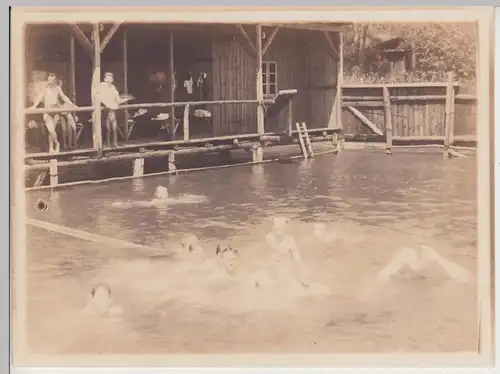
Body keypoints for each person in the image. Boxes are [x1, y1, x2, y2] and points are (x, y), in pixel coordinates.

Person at [30, 72, 77, 153]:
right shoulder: (45, 88)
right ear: (48, 79)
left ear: (55, 80)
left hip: (55, 111)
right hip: (47, 111)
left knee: (52, 131)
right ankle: (57, 143)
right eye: (49, 78)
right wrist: (34, 106)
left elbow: (64, 97)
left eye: (53, 79)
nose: (51, 80)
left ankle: (51, 148)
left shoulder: (57, 88)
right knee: (51, 130)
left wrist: (72, 105)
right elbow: (39, 97)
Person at [95, 72, 123, 148]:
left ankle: (114, 143)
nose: (110, 79)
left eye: (111, 77)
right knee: (107, 128)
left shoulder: (113, 87)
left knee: (114, 127)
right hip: (104, 109)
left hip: (112, 109)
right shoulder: (101, 85)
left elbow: (117, 99)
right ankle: (106, 144)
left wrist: (125, 100)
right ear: (105, 78)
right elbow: (98, 96)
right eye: (108, 77)